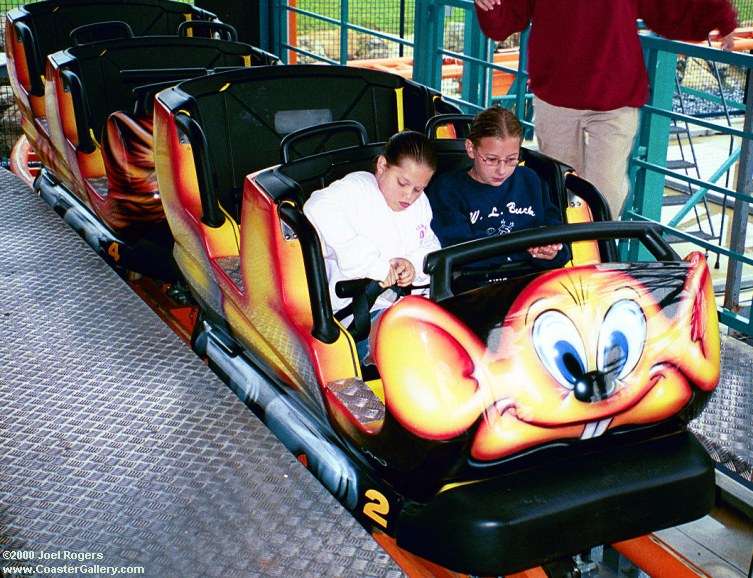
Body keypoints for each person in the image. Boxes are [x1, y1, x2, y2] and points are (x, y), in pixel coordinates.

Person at [474, 0, 738, 219]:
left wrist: (720, 17)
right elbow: (508, 15)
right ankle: (562, 262)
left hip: (615, 94)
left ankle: (593, 263)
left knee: (606, 194)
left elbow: (665, 7)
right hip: (557, 94)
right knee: (557, 192)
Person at [303, 130, 441, 360]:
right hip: (354, 313)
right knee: (413, 349)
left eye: (418, 189)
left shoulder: (419, 204)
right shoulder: (356, 190)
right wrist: (374, 266)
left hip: (404, 304)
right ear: (382, 165)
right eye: (402, 183)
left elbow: (429, 243)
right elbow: (316, 208)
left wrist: (413, 265)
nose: (409, 195)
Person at [427, 106, 568, 275]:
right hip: (478, 285)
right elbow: (458, 254)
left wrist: (551, 251)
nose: (502, 170)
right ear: (471, 149)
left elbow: (562, 244)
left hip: (532, 281)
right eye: (492, 159)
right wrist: (525, 250)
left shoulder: (530, 180)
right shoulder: (447, 189)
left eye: (511, 160)